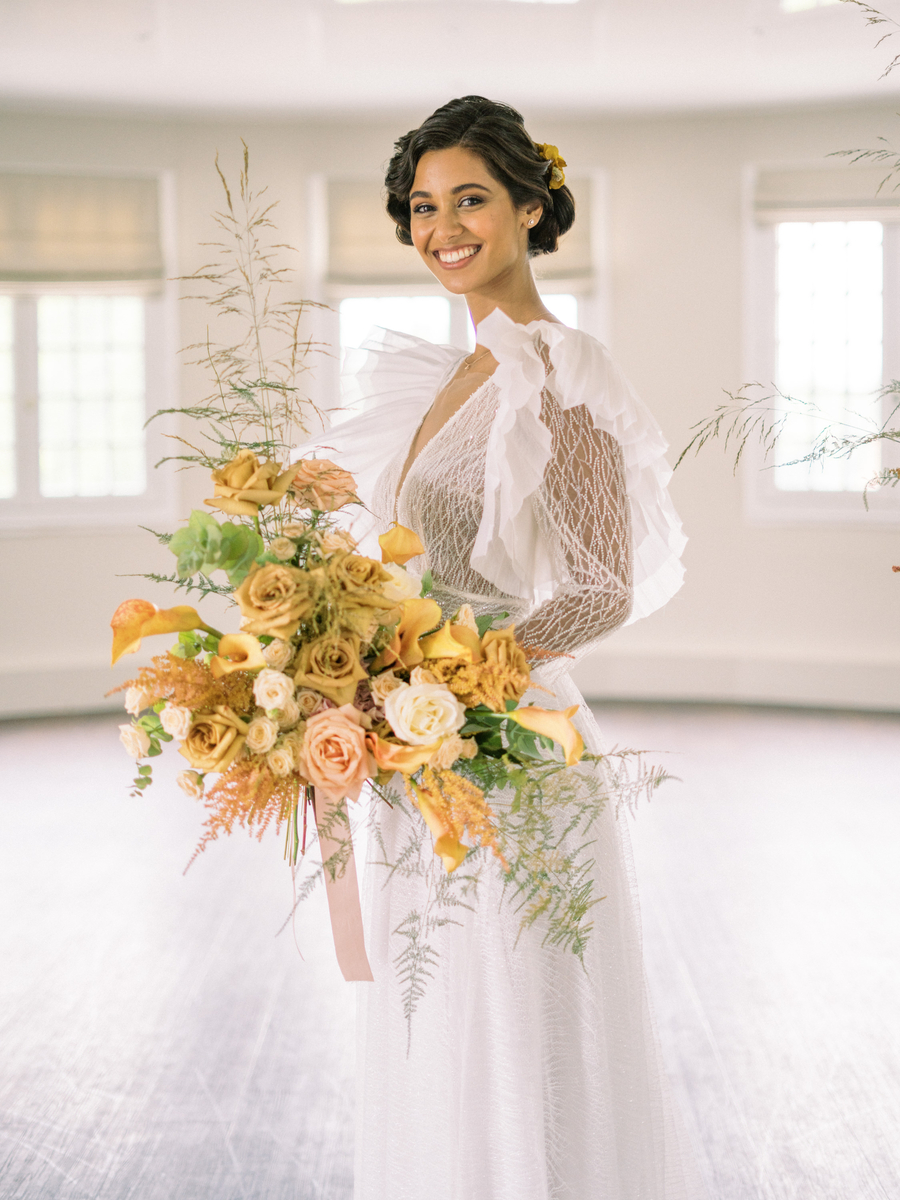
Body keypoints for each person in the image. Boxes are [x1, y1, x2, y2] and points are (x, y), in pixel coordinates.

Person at [296, 96, 704, 1200]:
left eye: (469, 198)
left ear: (531, 204)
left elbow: (597, 589)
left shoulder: (560, 371)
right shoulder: (456, 371)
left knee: (527, 1031)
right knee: (451, 1024)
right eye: (423, 207)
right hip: (430, 753)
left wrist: (458, 691)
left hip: (511, 753)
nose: (442, 228)